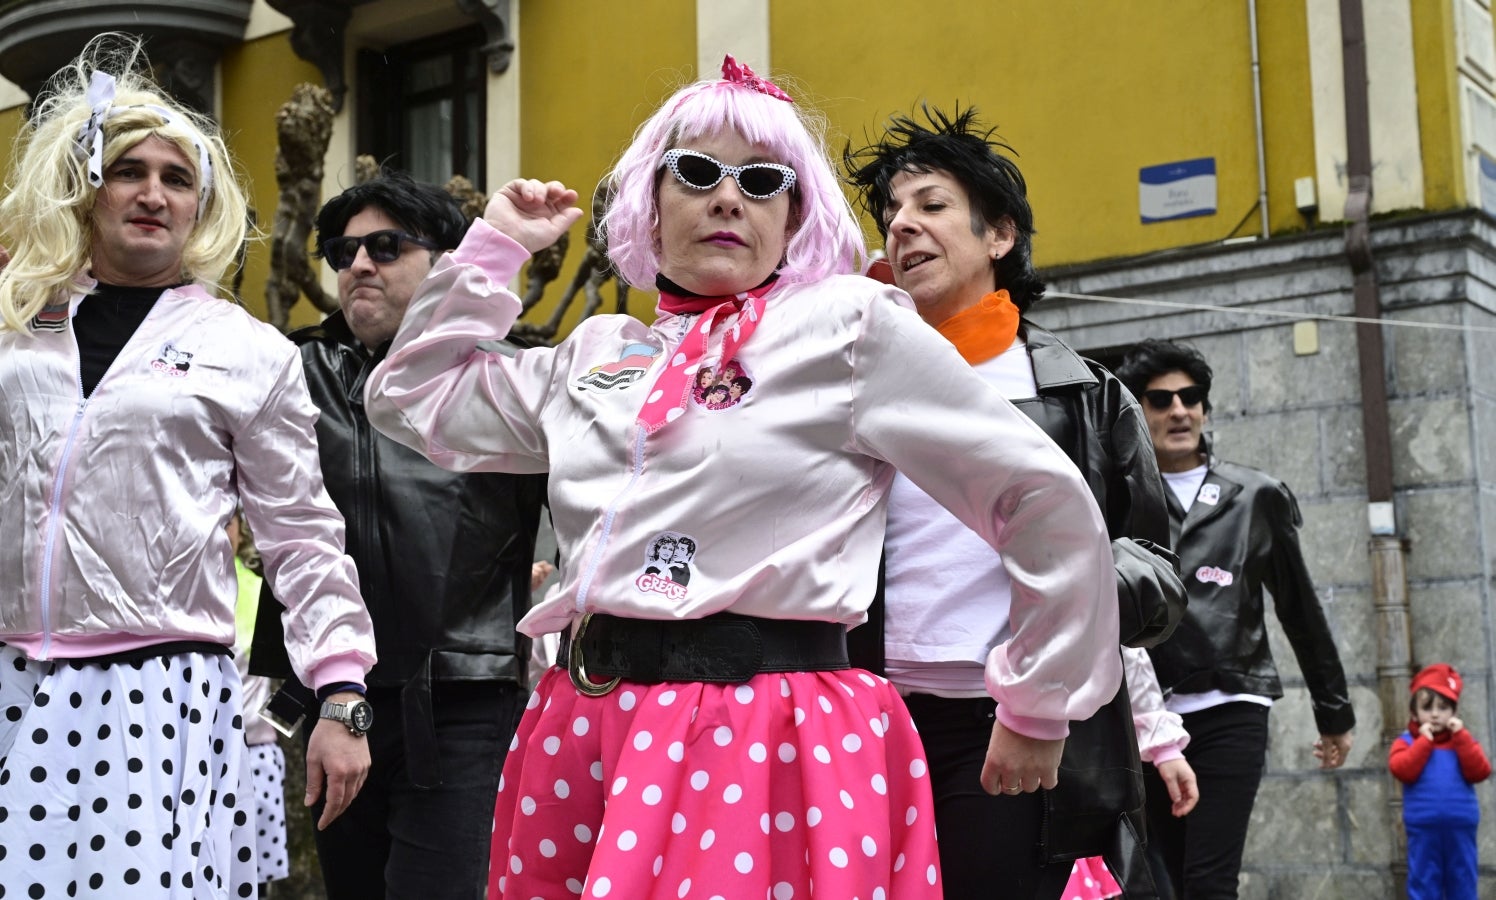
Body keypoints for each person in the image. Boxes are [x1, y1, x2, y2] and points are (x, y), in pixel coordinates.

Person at [365, 55, 1119, 899]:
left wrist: (1039, 699)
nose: (729, 197)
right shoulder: (597, 354)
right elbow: (408, 397)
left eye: (763, 181)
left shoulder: (848, 328)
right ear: (652, 198)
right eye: (697, 172)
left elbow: (1038, 494)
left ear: (796, 215)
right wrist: (494, 249)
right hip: (583, 726)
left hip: (771, 733)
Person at [0, 35, 376, 897]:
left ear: (200, 205)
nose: (153, 194)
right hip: (10, 679)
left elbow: (302, 539)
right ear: (86, 188)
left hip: (156, 697)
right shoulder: (15, 332)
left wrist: (342, 691)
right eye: (129, 170)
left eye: (177, 178)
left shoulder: (246, 351)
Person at [845, 105, 1188, 899]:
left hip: (1008, 727)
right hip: (861, 715)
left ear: (999, 235)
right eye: (892, 212)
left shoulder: (1082, 394)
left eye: (930, 205)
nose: (903, 226)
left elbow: (1159, 575)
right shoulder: (851, 381)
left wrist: (1067, 618)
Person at [248, 171, 548, 899]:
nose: (359, 265)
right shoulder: (294, 372)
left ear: (449, 264)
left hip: (465, 700)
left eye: (386, 246)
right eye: (342, 252)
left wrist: (554, 576)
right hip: (333, 701)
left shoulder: (506, 377)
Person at [1116, 338, 1357, 899]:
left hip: (1230, 705)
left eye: (1191, 396)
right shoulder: (1119, 497)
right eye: (1161, 399)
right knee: (1154, 877)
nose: (1179, 410)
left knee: (1210, 878)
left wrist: (1334, 711)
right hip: (1143, 717)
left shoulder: (1257, 496)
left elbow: (1301, 609)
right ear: (1138, 410)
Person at [229, 510, 293, 896]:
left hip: (254, 754)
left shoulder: (259, 587)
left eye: (227, 521)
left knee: (252, 879)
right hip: (186, 751)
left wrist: (277, 719)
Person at [1389, 663, 1491, 900]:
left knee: (1463, 878)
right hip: (1423, 827)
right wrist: (1425, 742)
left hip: (1460, 826)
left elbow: (1480, 771)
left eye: (1443, 708)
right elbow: (1402, 770)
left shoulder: (1462, 741)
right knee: (1424, 880)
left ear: (1454, 712)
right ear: (1414, 713)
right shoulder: (1407, 742)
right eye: (1427, 708)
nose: (1435, 714)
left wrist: (1462, 737)